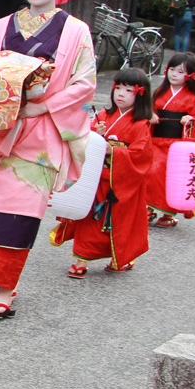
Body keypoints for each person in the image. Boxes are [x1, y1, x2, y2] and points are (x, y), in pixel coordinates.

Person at [0, 0, 96, 319]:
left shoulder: (76, 31)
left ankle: (4, 289)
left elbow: (84, 83)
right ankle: (3, 278)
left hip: (42, 131)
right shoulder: (4, 25)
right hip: (3, 127)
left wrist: (44, 104)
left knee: (22, 210)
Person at [52, 68, 154, 276]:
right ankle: (80, 261)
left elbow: (141, 155)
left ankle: (119, 259)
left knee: (118, 224)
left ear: (140, 94)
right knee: (89, 220)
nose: (121, 94)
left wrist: (113, 150)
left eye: (128, 90)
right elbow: (82, 138)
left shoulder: (141, 124)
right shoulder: (102, 116)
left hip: (120, 182)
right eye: (118, 88)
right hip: (96, 179)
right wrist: (92, 133)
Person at [147, 53, 195, 227]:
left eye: (180, 71)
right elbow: (149, 110)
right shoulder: (160, 92)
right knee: (150, 172)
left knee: (170, 178)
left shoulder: (191, 97)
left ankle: (167, 214)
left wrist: (190, 120)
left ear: (190, 75)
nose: (174, 74)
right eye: (172, 69)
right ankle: (147, 209)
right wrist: (151, 116)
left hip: (176, 145)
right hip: (156, 140)